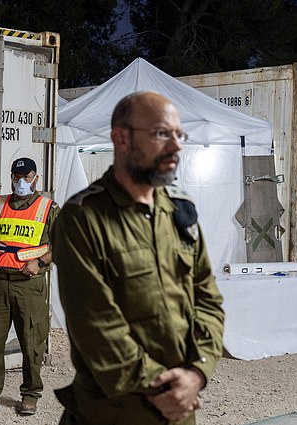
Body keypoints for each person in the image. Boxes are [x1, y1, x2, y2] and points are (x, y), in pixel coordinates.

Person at [52, 91, 225, 425]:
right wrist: (167, 391)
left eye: (179, 134)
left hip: (178, 411)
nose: (176, 146)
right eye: (162, 133)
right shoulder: (83, 218)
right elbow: (98, 327)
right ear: (121, 138)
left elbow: (208, 298)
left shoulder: (179, 211)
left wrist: (197, 374)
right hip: (112, 413)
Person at [0, 157, 60, 417]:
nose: (21, 181)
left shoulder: (48, 207)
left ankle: (30, 395)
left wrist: (40, 262)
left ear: (36, 178)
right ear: (11, 177)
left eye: (26, 176)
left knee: (32, 342)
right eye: (16, 176)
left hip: (29, 285)